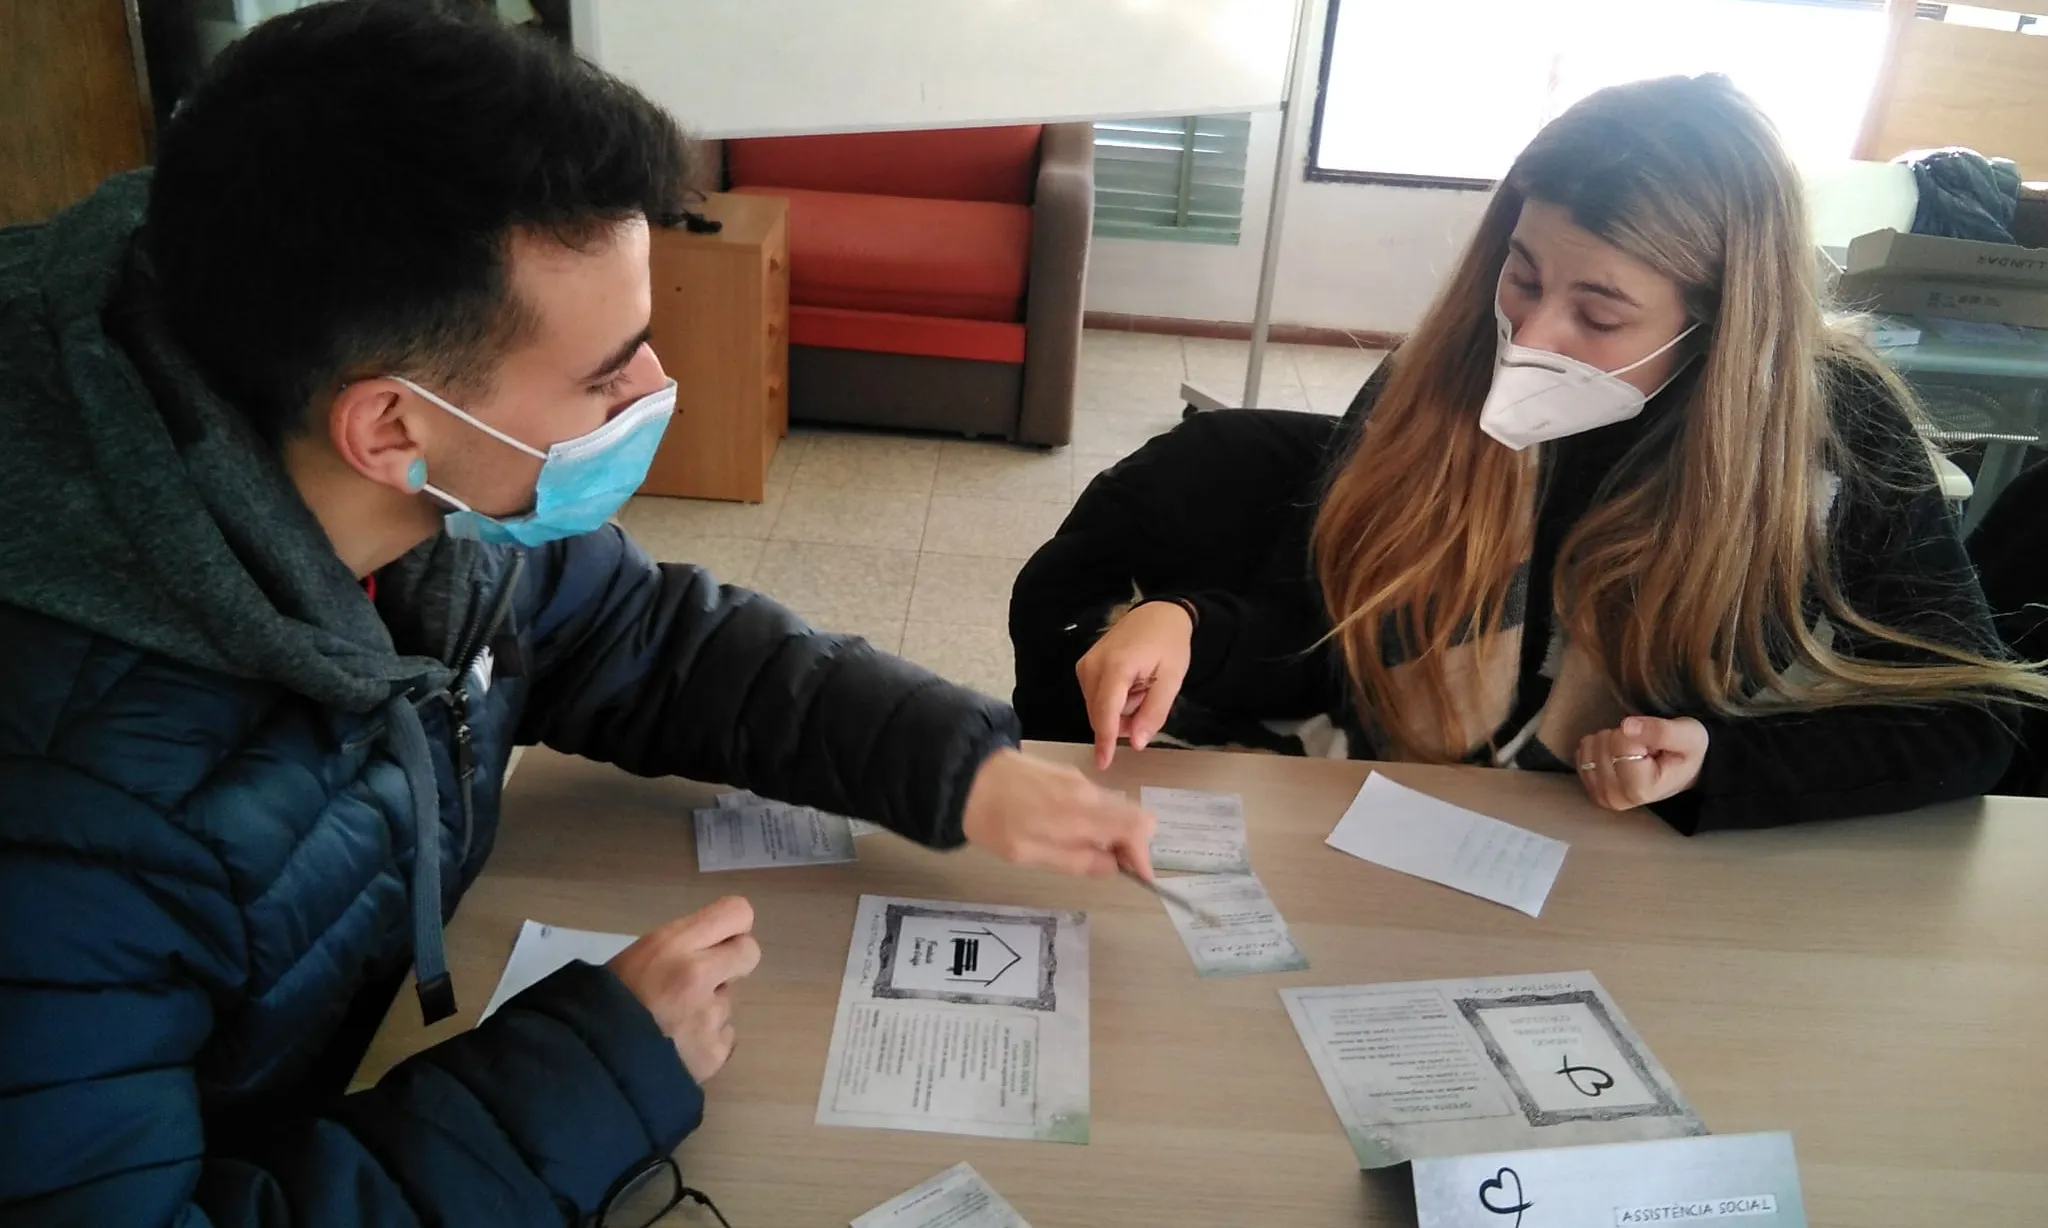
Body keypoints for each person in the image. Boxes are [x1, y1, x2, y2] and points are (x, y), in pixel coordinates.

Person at [0, 3, 1154, 1224]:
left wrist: (954, 768)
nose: (657, 392)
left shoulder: (411, 497)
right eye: (611, 372)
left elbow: (641, 637)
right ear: (391, 428)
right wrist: (588, 1073)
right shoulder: (66, 817)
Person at [1012, 74, 2047, 835]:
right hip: (1411, 823)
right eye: (1520, 275)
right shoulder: (1445, 371)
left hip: (1638, 866)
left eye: (1598, 311)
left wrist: (1713, 764)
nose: (1533, 336)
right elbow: (1330, 622)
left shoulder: (1832, 427)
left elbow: (1969, 714)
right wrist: (1184, 620)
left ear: (1721, 327)